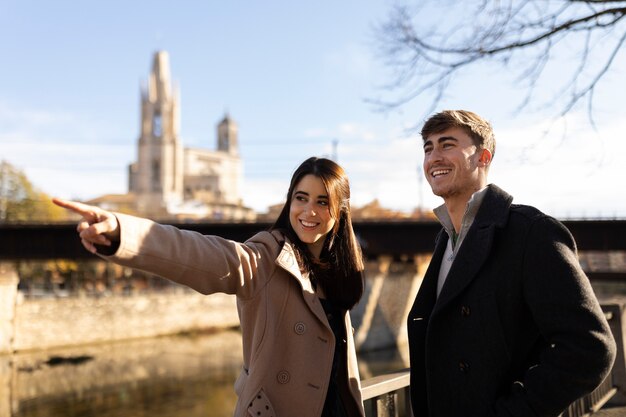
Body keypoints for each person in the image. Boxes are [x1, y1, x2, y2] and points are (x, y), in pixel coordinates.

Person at [53, 156, 366, 417]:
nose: (308, 211)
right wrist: (123, 233)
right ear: (289, 202)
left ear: (339, 211)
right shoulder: (266, 257)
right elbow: (200, 254)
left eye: (322, 201)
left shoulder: (337, 271)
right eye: (301, 198)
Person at [407, 110, 616, 416]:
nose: (433, 157)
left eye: (447, 145)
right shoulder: (445, 241)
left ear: (483, 157)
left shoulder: (530, 232)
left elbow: (591, 347)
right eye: (428, 148)